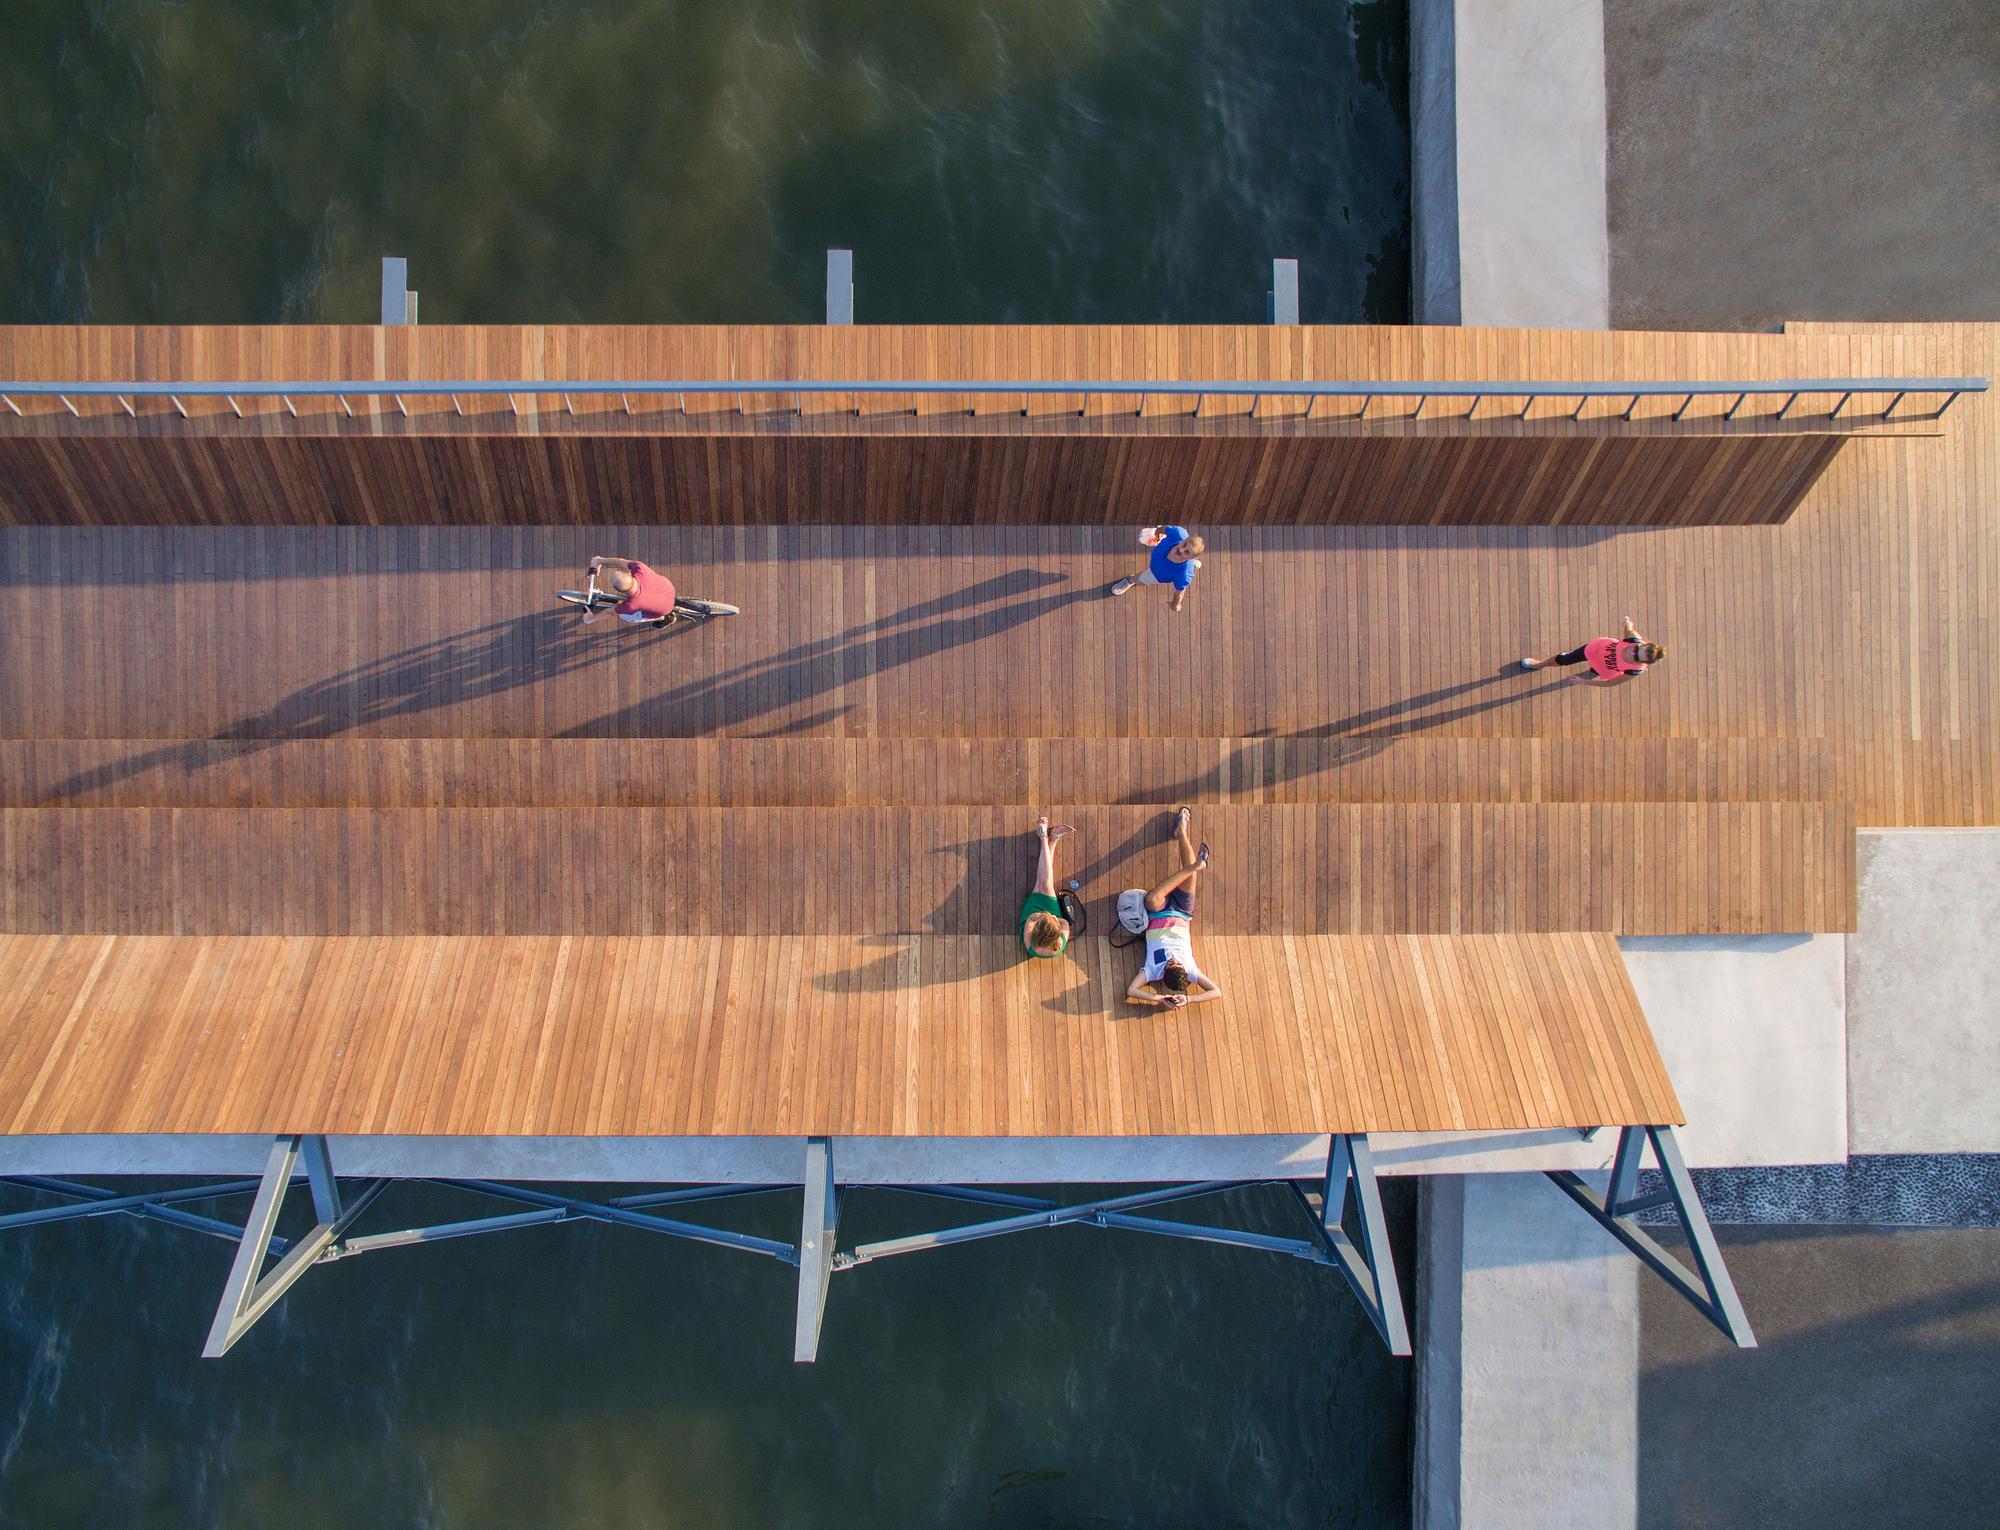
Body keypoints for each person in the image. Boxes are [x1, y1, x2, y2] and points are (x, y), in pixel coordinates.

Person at [1126, 807, 1223, 1009]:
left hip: (1157, 912)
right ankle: (1182, 833)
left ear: (1164, 972)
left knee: (1152, 899)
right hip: (1182, 912)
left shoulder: (1153, 970)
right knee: (1191, 877)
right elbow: (1216, 992)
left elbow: (1131, 991)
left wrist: (1159, 998)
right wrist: (1190, 999)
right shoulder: (1191, 970)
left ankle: (1195, 866)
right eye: (1177, 962)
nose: (1173, 959)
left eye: (1170, 963)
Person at [1520, 616, 1666, 688]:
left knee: (1595, 671)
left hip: (1605, 667)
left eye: (1636, 658)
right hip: (1595, 649)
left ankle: (1595, 670)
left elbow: (1609, 683)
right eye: (1636, 649)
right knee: (1564, 659)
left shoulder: (1634, 671)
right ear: (1640, 644)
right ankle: (1539, 664)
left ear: (1642, 663)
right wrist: (1627, 623)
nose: (1631, 653)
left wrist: (1583, 681)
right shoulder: (1633, 638)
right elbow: (1628, 629)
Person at [1110, 525, 1205, 613]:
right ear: (1184, 540)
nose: (1181, 550)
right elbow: (1164, 528)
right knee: (1186, 562)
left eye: (1187, 552)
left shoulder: (1183, 575)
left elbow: (1179, 593)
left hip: (1156, 574)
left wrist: (1174, 605)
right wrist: (1158, 532)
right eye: (1184, 545)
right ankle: (1193, 563)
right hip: (1157, 560)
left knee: (1141, 579)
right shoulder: (1177, 533)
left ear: (1191, 557)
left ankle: (1131, 580)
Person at [1020, 816, 1074, 959]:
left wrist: (1042, 919)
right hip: (1052, 915)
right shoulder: (1060, 942)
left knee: (1043, 882)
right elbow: (1064, 923)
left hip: (1032, 913)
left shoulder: (1030, 942)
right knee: (1045, 882)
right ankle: (1049, 838)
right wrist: (1054, 919)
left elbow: (1031, 918)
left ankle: (1047, 837)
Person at [583, 554, 677, 627]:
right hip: (668, 588)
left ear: (620, 592)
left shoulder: (632, 605)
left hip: (665, 609)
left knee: (624, 616)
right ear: (628, 574)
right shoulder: (639, 567)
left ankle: (663, 618)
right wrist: (599, 560)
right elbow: (621, 562)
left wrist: (590, 619)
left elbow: (611, 612)